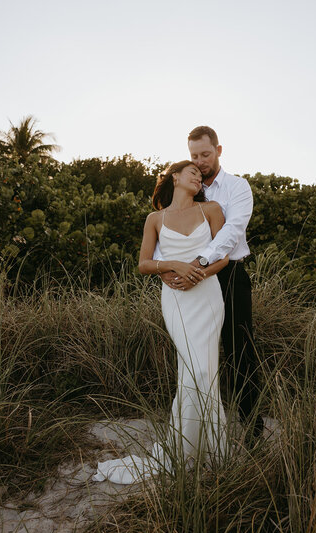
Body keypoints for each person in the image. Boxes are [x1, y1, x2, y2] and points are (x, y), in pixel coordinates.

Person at [93, 160, 229, 485]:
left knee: (204, 370)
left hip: (207, 295)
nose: (199, 177)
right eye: (193, 173)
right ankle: (186, 449)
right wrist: (172, 265)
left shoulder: (211, 209)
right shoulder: (156, 218)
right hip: (177, 300)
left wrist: (197, 273)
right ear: (175, 177)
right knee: (191, 369)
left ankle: (214, 450)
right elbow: (143, 263)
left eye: (202, 175)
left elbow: (225, 254)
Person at [160, 126, 263, 443]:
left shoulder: (236, 187)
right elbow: (166, 225)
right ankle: (195, 430)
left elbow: (231, 234)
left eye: (205, 154)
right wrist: (168, 270)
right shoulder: (185, 184)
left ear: (219, 150)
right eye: (194, 156)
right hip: (186, 280)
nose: (200, 161)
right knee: (193, 354)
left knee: (238, 351)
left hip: (228, 274)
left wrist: (199, 265)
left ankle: (251, 429)